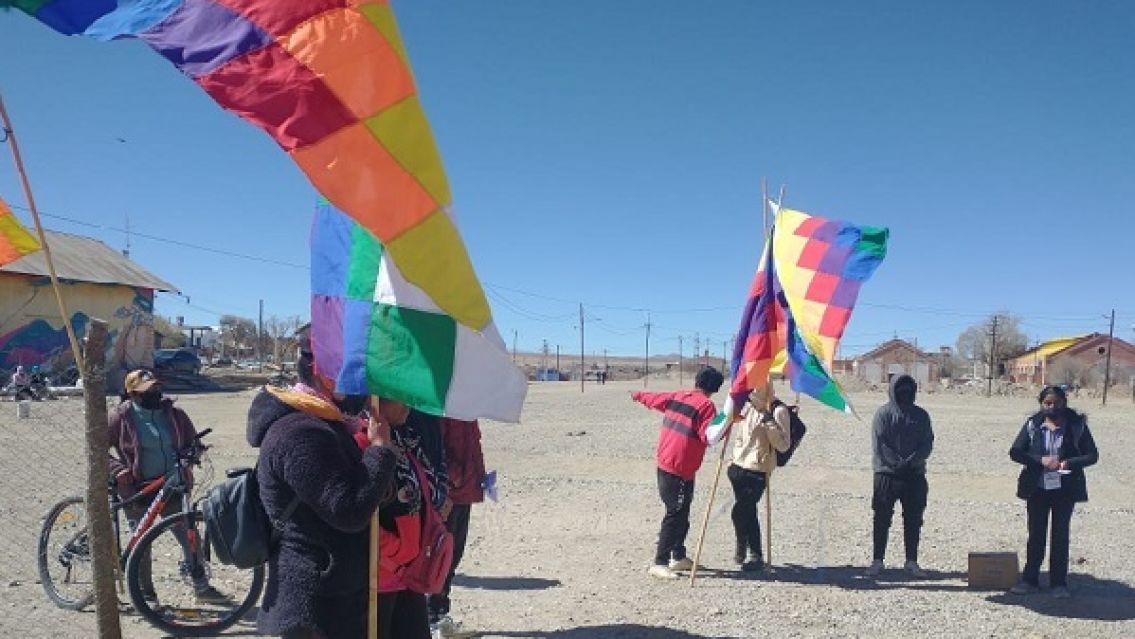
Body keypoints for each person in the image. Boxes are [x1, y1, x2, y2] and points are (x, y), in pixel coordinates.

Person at [247, 326, 397, 639]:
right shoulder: (301, 433)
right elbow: (348, 510)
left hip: (331, 597)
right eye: (349, 372)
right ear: (321, 372)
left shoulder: (327, 421)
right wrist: (380, 451)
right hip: (312, 606)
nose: (358, 383)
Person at [108, 369, 227, 603]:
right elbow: (97, 449)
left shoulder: (175, 414)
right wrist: (118, 470)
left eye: (155, 388)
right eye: (146, 391)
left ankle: (202, 587)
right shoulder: (119, 417)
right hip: (138, 490)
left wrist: (193, 453)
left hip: (172, 486)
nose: (154, 394)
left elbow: (193, 442)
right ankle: (145, 594)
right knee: (142, 543)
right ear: (132, 394)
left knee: (189, 535)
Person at [631, 366, 724, 580]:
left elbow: (654, 399)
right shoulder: (706, 405)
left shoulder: (680, 395)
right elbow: (708, 436)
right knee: (675, 513)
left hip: (670, 465)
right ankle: (660, 562)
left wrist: (638, 395)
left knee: (682, 511)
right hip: (678, 469)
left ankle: (678, 555)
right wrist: (725, 421)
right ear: (715, 388)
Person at [1009, 385, 1098, 598]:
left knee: (1060, 536)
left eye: (1056, 402)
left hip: (1065, 490)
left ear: (1064, 403)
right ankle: (1030, 579)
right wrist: (1040, 460)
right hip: (1037, 489)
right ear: (1041, 404)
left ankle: (1059, 583)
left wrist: (1068, 463)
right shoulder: (1033, 425)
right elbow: (1015, 452)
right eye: (1047, 403)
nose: (1052, 407)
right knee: (1036, 535)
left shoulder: (1077, 426)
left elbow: (1092, 455)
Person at [367, 405, 448, 639]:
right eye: (398, 396)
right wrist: (396, 553)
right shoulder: (363, 441)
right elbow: (359, 514)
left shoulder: (407, 440)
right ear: (377, 400)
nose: (407, 405)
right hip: (379, 577)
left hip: (408, 574)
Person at [867, 374, 934, 577]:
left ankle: (911, 561)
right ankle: (878, 560)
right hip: (886, 475)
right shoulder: (883, 414)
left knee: (914, 519)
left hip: (914, 476)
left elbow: (927, 443)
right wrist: (897, 463)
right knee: (882, 518)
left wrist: (912, 461)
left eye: (909, 388)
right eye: (900, 388)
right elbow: (880, 444)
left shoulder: (921, 416)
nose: (905, 392)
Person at [428, 417, 487, 636]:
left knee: (454, 555)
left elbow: (474, 445)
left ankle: (441, 613)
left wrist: (480, 477)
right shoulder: (442, 408)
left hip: (465, 493)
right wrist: (454, 478)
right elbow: (435, 449)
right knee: (439, 557)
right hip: (448, 496)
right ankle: (433, 616)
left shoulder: (468, 410)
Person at [727, 386, 791, 572]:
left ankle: (752, 552)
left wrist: (767, 418)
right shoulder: (746, 406)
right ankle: (749, 551)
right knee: (748, 512)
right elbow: (741, 433)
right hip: (738, 465)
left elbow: (783, 445)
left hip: (758, 469)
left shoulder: (778, 410)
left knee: (740, 511)